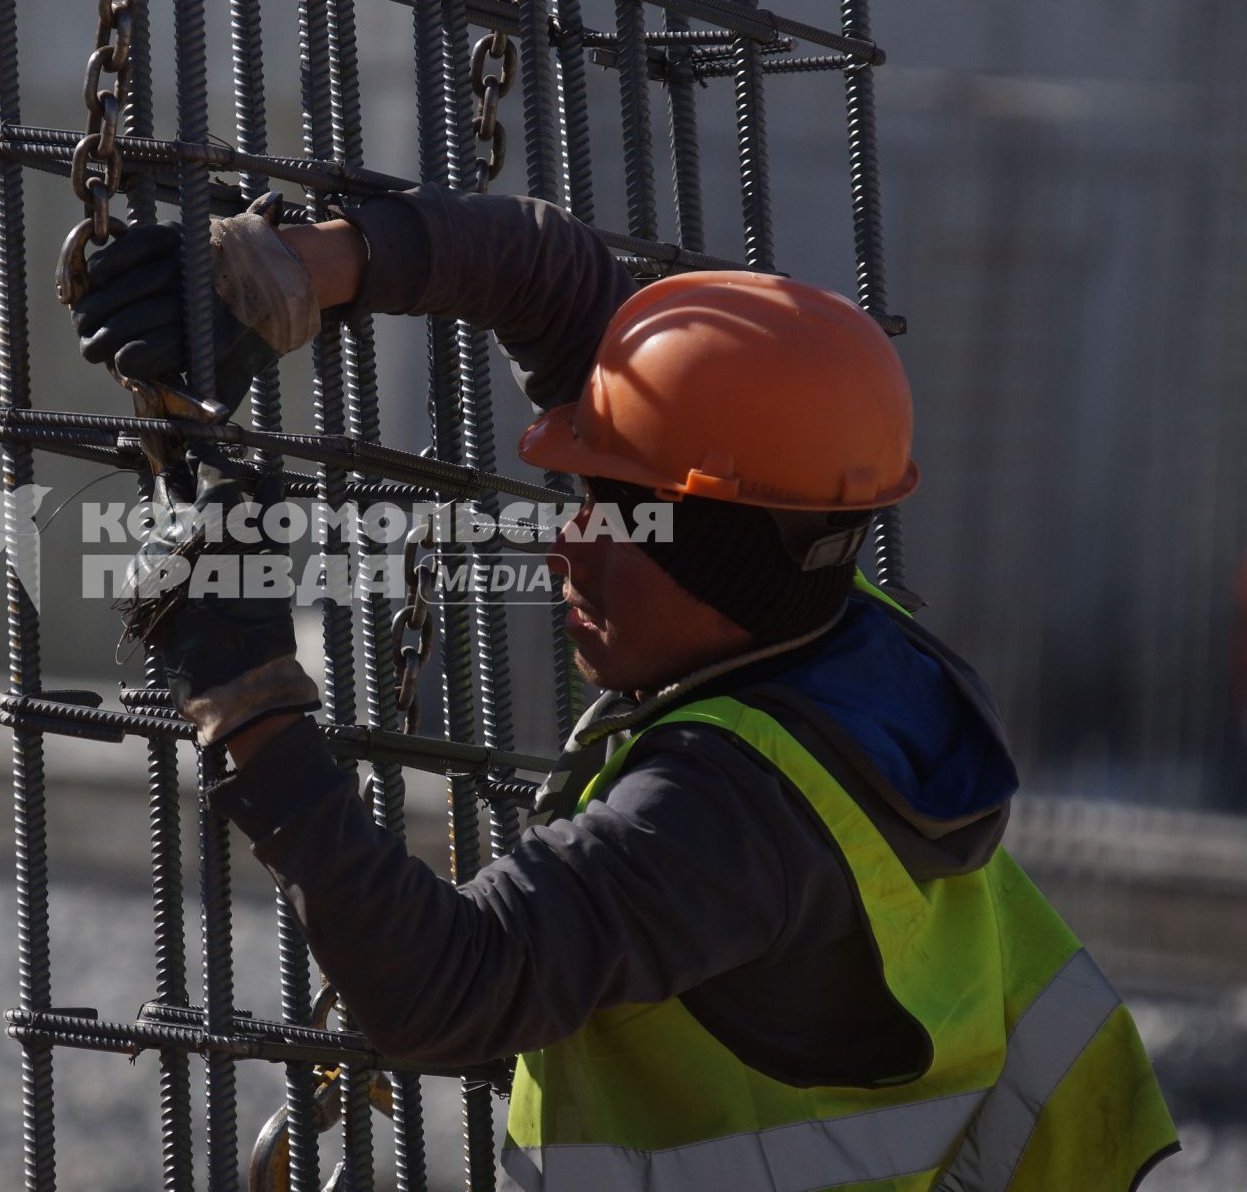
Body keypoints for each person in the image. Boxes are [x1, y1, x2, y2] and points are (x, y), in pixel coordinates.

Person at [71, 186, 1178, 1191]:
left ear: (718, 555)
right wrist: (305, 266)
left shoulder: (731, 812)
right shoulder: (833, 628)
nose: (567, 541)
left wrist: (250, 696)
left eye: (616, 513)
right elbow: (549, 275)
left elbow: (445, 990)